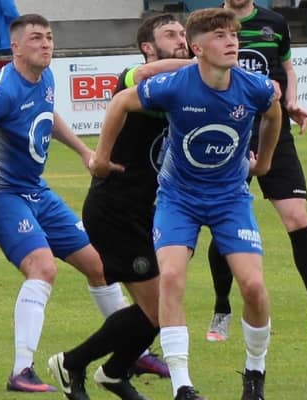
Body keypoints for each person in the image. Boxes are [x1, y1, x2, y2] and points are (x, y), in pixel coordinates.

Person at [89, 7, 307, 399]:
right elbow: (121, 102)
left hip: (230, 199)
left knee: (255, 286)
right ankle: (182, 386)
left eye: (233, 36)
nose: (231, 42)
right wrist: (101, 158)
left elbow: (273, 114)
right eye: (220, 36)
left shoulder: (254, 86)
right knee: (172, 279)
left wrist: (264, 162)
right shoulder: (176, 85)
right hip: (179, 199)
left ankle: (254, 375)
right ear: (197, 48)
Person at [0, 14, 128, 393]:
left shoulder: (46, 77)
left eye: (49, 37)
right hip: (3, 195)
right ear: (16, 47)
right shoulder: (2, 90)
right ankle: (22, 370)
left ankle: (128, 348)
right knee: (43, 268)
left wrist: (86, 151)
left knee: (100, 266)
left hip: (38, 191)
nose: (46, 44)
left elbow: (48, 116)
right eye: (36, 38)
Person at [48, 12, 194, 400]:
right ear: (148, 47)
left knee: (163, 306)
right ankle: (73, 363)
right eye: (170, 34)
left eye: (184, 33)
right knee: (161, 306)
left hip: (155, 212)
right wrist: (200, 60)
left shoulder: (186, 91)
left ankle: (112, 373)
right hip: (116, 210)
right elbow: (141, 80)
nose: (181, 39)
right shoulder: (134, 77)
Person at [204, 0, 307, 344]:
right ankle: (222, 309)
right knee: (226, 219)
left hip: (274, 131)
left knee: (297, 217)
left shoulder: (274, 22)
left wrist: (291, 101)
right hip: (231, 132)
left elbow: (287, 68)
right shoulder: (210, 23)